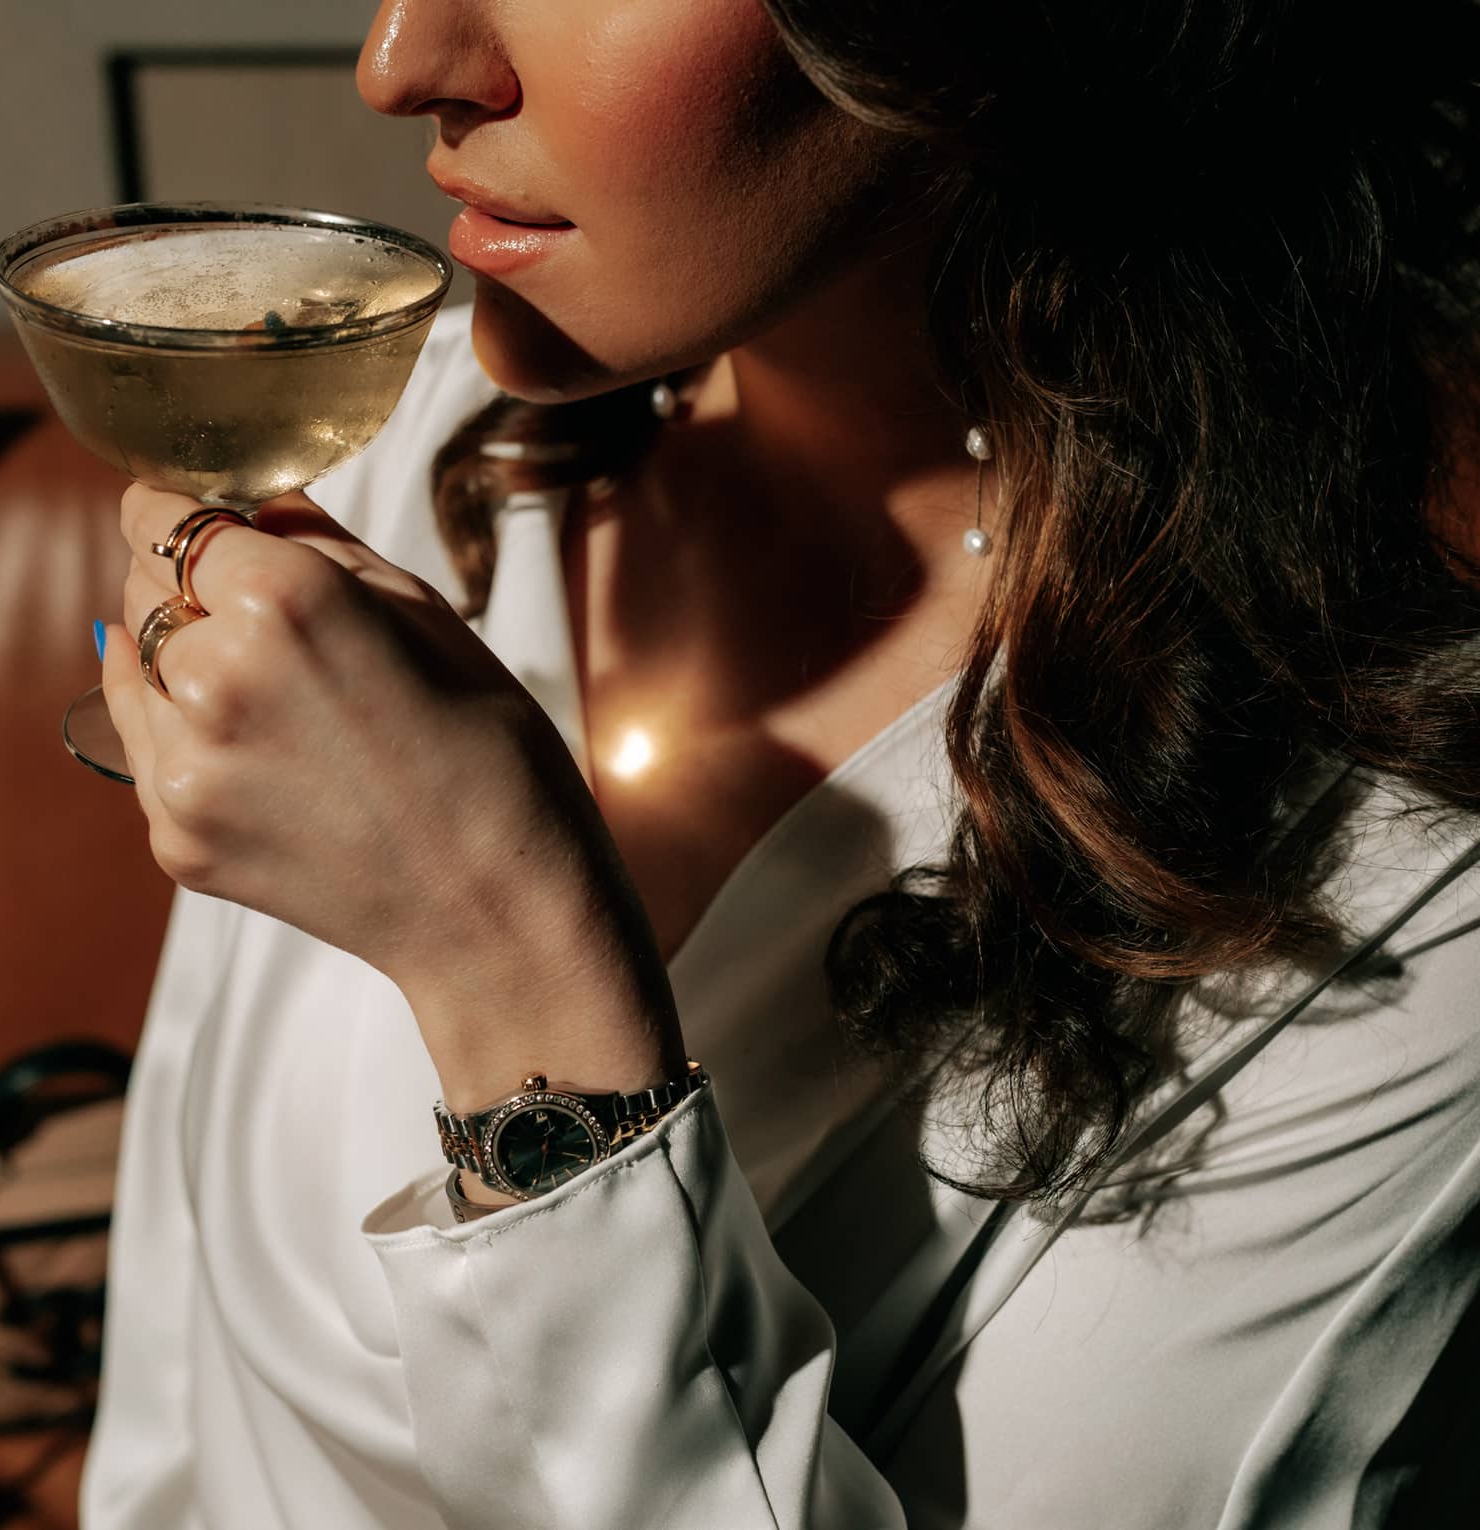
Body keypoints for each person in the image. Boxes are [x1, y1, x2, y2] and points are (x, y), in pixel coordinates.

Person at [80, 2, 1480, 1526]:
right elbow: (180, 1357)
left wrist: (514, 977)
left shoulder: (1399, 905)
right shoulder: (399, 441)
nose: (401, 58)